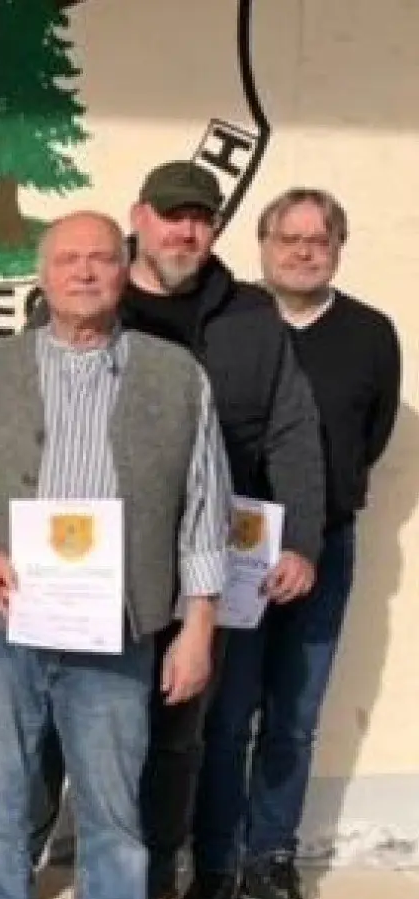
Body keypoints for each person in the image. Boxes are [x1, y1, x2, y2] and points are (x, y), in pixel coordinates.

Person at [0, 210, 233, 899]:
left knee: (115, 819)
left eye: (100, 258)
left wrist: (199, 625)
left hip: (115, 634)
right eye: (67, 260)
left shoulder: (177, 375)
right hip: (1, 633)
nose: (84, 272)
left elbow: (207, 505)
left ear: (125, 271)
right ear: (42, 275)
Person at [29, 162, 326, 899]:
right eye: (170, 214)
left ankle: (153, 882)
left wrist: (303, 539)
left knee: (174, 738)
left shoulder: (253, 318)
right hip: (85, 567)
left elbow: (293, 431)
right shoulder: (86, 301)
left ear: (216, 227)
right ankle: (19, 873)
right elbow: (26, 429)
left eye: (200, 216)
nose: (185, 229)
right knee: (49, 736)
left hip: (198, 571)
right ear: (140, 217)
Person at [189, 189, 402, 899]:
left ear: (339, 247)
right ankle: (216, 861)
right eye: (291, 238)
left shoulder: (371, 333)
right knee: (227, 711)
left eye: (320, 239)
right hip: (233, 544)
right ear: (263, 244)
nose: (305, 250)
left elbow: (367, 438)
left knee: (295, 714)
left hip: (323, 549)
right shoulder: (231, 322)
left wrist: (315, 523)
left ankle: (270, 858)